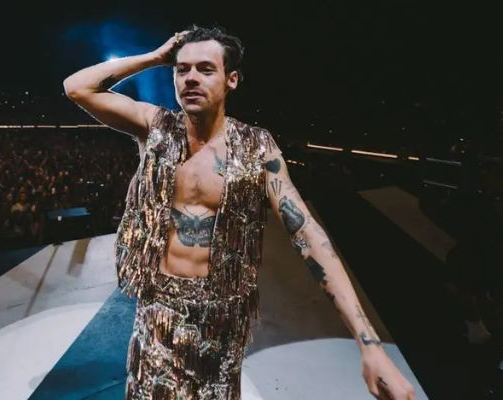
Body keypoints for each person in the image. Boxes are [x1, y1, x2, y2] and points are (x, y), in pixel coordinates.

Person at [64, 25, 416, 400]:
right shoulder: (154, 126)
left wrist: (369, 344)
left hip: (222, 320)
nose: (191, 78)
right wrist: (155, 57)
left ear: (231, 80)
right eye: (182, 69)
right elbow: (77, 88)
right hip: (158, 312)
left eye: (205, 69)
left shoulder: (257, 147)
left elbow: (307, 234)